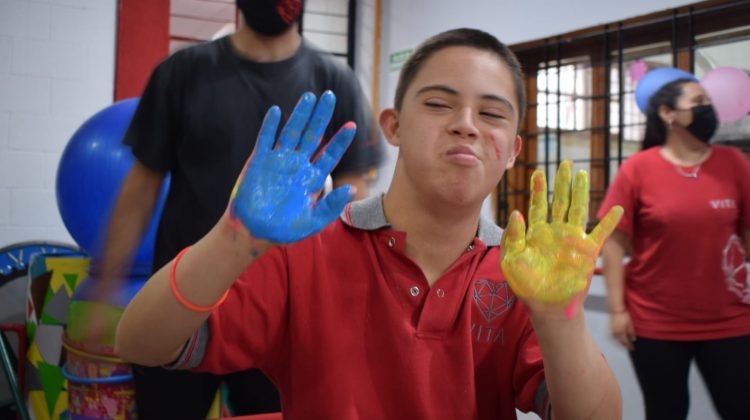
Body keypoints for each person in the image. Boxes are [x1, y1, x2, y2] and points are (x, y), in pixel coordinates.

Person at [115, 28, 624, 419]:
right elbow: (139, 341)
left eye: (491, 114)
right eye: (439, 103)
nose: (466, 123)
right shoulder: (308, 248)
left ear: (513, 151)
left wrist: (560, 317)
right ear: (393, 126)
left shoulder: (521, 274)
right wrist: (234, 240)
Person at [96, 0, 382, 418]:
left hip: (282, 310)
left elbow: (350, 195)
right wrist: (106, 285)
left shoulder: (334, 79)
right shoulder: (182, 72)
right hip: (183, 299)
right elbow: (141, 187)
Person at [598, 77, 750, 420]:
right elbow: (613, 243)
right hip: (655, 321)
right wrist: (617, 309)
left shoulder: (734, 163)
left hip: (729, 318)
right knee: (666, 411)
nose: (707, 109)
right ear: (667, 113)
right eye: (697, 102)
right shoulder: (638, 168)